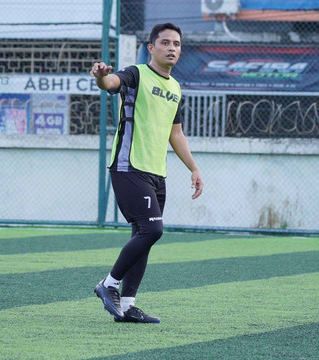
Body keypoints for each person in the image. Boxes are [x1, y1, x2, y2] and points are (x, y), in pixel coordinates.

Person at [90, 23, 204, 323]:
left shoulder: (175, 88)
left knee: (143, 235)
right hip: (129, 167)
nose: (172, 48)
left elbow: (175, 134)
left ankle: (127, 307)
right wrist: (102, 77)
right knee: (153, 230)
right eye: (165, 42)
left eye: (177, 44)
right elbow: (111, 83)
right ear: (151, 47)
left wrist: (193, 168)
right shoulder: (136, 73)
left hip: (157, 173)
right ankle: (108, 284)